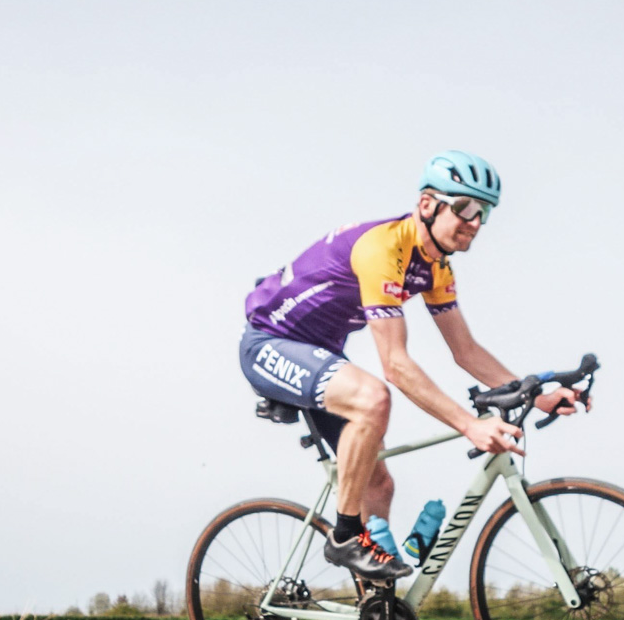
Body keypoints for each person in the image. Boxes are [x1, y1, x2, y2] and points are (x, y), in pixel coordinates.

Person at [239, 150, 588, 584]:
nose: (475, 222)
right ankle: (345, 537)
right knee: (373, 397)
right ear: (428, 205)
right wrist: (469, 425)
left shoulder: (435, 267)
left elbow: (466, 350)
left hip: (321, 355)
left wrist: (539, 394)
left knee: (378, 485)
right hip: (271, 343)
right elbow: (396, 365)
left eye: (483, 212)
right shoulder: (383, 248)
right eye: (464, 207)